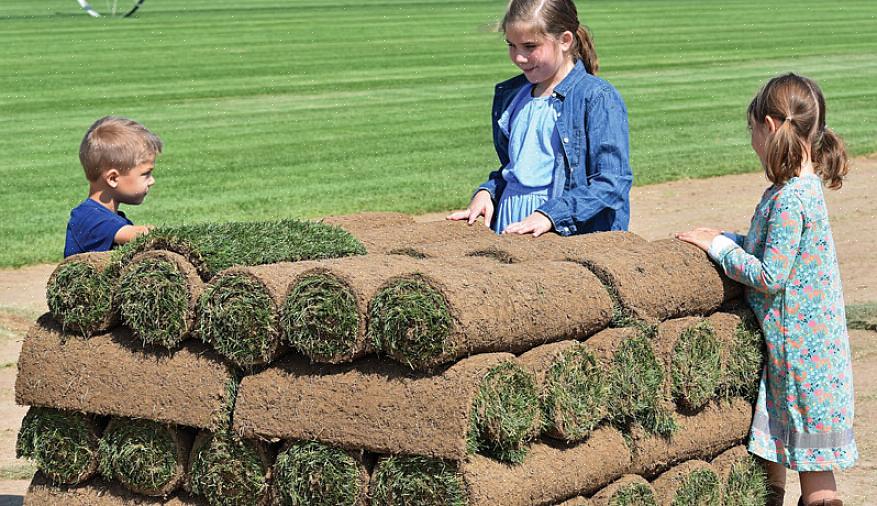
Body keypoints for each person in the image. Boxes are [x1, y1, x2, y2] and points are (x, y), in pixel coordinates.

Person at [677, 73, 857, 506]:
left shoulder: (791, 198)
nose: (752, 138)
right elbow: (775, 249)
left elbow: (771, 274)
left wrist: (719, 248)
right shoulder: (796, 189)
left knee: (816, 477)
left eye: (753, 128)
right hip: (803, 353)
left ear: (772, 126)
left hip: (803, 361)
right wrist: (732, 237)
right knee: (773, 448)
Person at [447, 0, 631, 236]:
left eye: (530, 46)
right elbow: (516, 169)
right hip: (511, 220)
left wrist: (550, 215)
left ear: (565, 40)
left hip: (563, 230)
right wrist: (488, 192)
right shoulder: (511, 95)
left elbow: (612, 183)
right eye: (511, 45)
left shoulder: (597, 97)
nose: (519, 57)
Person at [64, 116, 162, 257]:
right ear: (113, 178)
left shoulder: (116, 219)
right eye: (145, 174)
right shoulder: (88, 218)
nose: (152, 181)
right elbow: (138, 234)